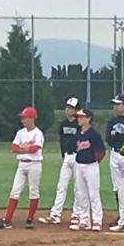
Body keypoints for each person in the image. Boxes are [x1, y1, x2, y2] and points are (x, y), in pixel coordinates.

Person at [0, 106, 45, 230]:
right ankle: (7, 220)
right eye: (22, 118)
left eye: (25, 118)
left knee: (33, 191)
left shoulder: (38, 133)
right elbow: (13, 148)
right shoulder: (20, 133)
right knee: (15, 191)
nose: (22, 120)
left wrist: (22, 148)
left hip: (34, 164)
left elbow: (35, 149)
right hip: (22, 164)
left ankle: (30, 219)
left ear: (32, 118)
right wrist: (26, 148)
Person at [39, 97, 82, 226]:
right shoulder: (63, 124)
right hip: (67, 157)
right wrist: (63, 155)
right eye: (67, 107)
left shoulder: (79, 124)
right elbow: (62, 141)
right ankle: (55, 214)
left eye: (71, 108)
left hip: (78, 157)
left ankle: (76, 215)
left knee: (78, 187)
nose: (67, 110)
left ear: (76, 110)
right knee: (61, 186)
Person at [70, 108, 106, 232]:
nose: (79, 119)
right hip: (79, 165)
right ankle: (84, 220)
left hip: (91, 165)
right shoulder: (78, 134)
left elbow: (101, 151)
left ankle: (97, 220)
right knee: (81, 194)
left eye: (81, 117)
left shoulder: (94, 134)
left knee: (93, 194)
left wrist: (94, 160)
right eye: (78, 117)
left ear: (88, 118)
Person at [105, 94, 124, 229]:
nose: (115, 106)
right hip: (115, 153)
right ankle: (122, 215)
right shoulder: (112, 121)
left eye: (118, 104)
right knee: (117, 186)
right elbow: (108, 139)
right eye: (114, 104)